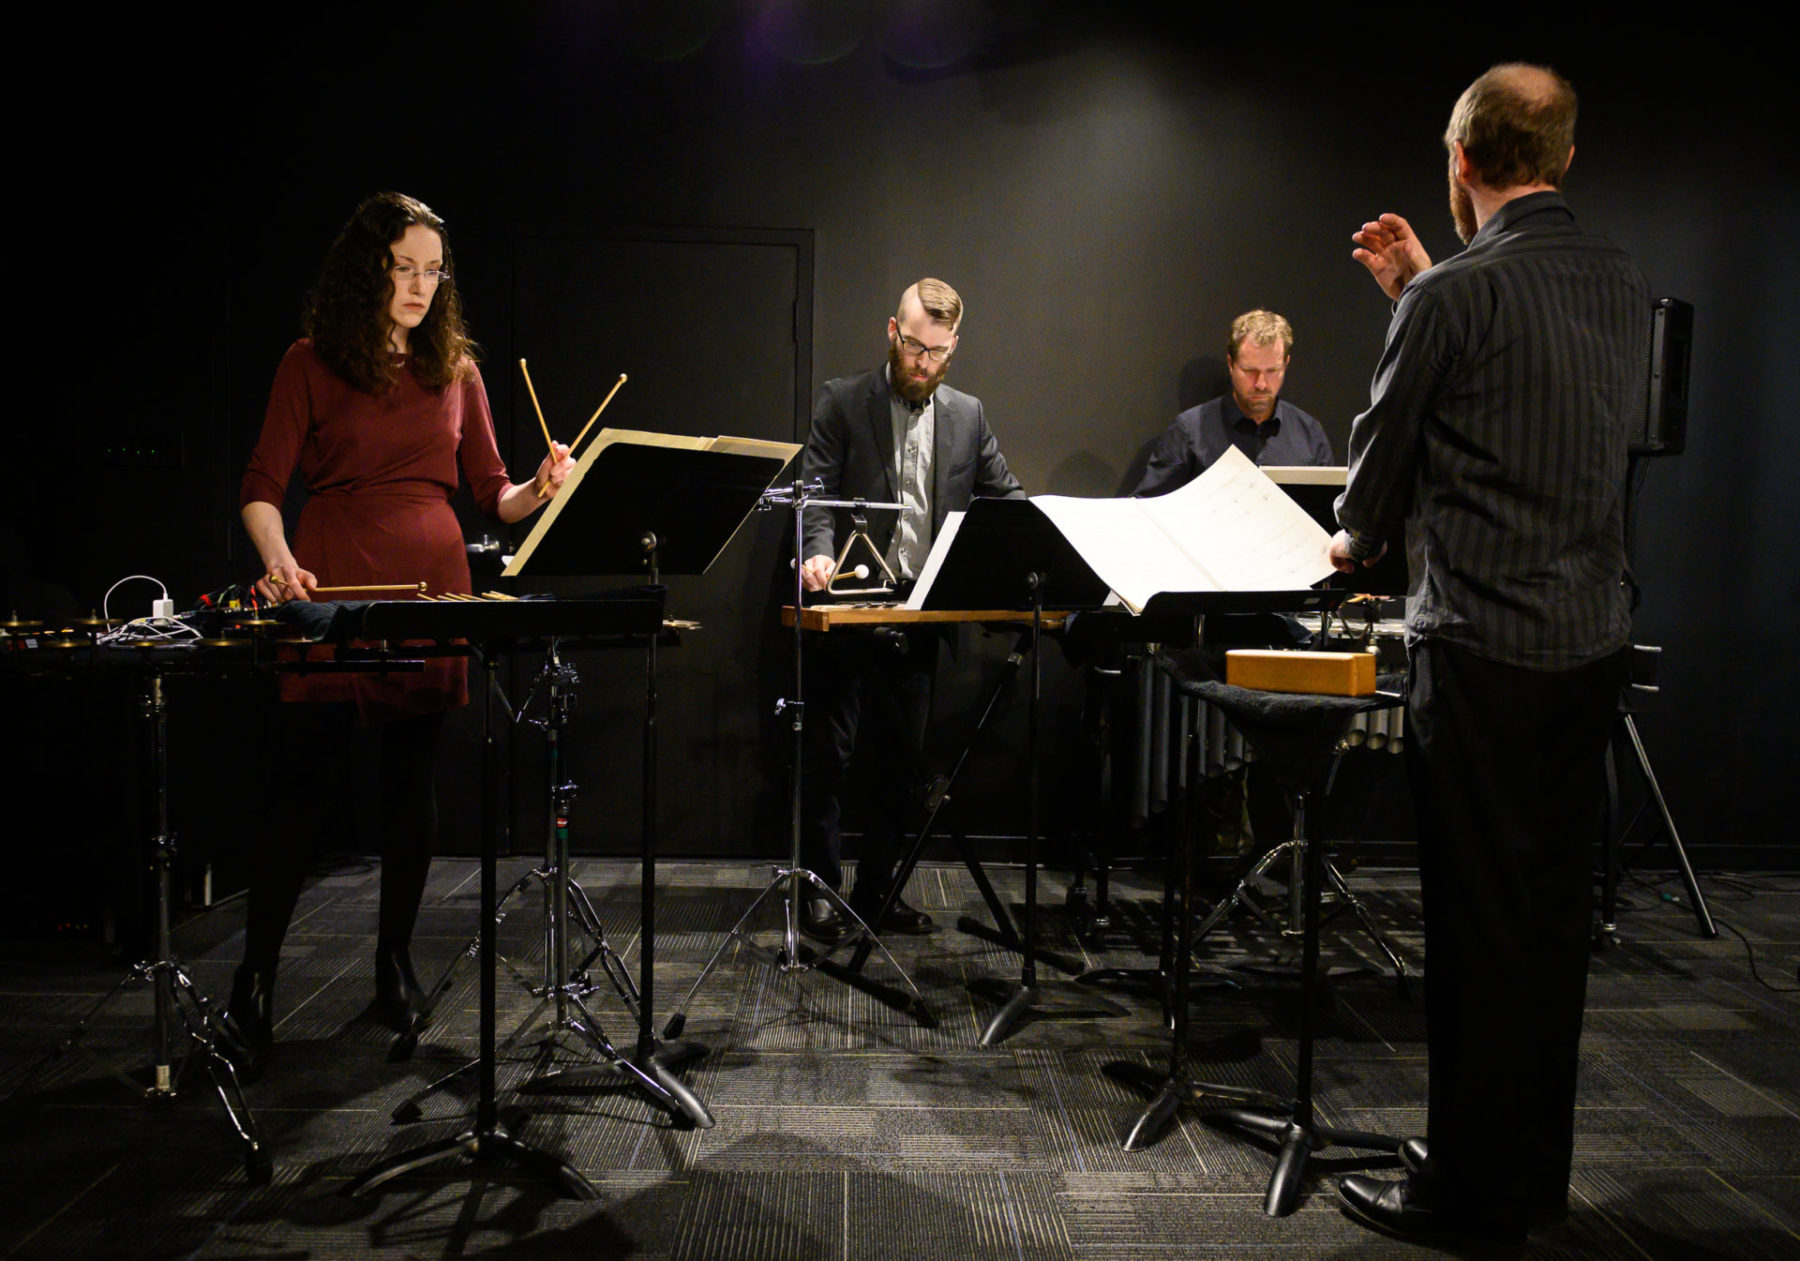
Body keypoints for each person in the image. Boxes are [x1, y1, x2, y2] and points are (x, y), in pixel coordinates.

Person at [1328, 65, 1647, 1250]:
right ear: (1563, 160)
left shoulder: (1452, 297)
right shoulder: (1619, 281)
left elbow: (1374, 488)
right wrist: (1426, 286)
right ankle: (1525, 1175)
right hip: (1587, 652)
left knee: (1472, 932)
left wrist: (1422, 296)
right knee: (1550, 928)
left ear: (1461, 161)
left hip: (1480, 654)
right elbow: (1527, 394)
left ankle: (1461, 1192)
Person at [227, 191, 575, 1075]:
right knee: (302, 781)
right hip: (331, 581)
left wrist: (544, 486)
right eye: (403, 267)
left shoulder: (456, 367)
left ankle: (392, 963)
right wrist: (279, 562)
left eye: (432, 270)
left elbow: (493, 492)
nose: (421, 285)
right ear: (367, 270)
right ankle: (256, 980)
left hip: (432, 586)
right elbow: (263, 487)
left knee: (411, 778)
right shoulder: (309, 361)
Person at [795, 278, 1024, 941]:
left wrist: (1051, 536)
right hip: (847, 607)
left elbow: (1003, 493)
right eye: (916, 348)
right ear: (892, 333)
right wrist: (816, 554)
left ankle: (878, 893)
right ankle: (818, 892)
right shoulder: (843, 401)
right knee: (831, 758)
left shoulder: (967, 414)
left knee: (903, 763)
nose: (925, 365)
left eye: (940, 353)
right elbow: (814, 488)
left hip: (921, 613)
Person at [1133, 309, 1331, 497]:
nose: (1261, 384)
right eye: (1249, 371)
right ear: (1231, 364)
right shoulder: (1189, 431)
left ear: (1286, 364)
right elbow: (1149, 509)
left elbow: (1329, 516)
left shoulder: (1309, 434)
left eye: (1272, 371)